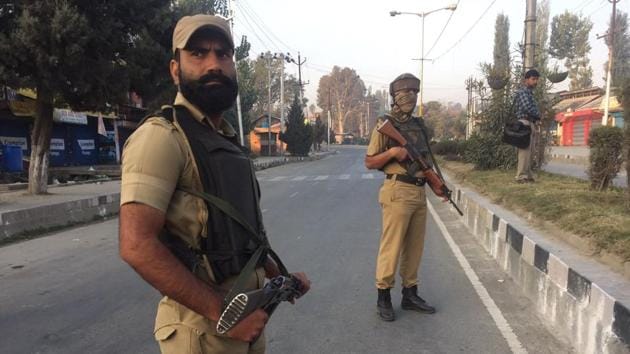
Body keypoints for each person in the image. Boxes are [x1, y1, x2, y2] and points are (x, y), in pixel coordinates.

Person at [118, 14, 310, 354]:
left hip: (245, 319)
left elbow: (240, 230)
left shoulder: (225, 141)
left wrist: (278, 275)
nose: (213, 64)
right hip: (202, 331)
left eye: (223, 54)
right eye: (198, 53)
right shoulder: (162, 138)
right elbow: (136, 245)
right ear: (175, 69)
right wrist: (224, 314)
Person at [364, 73, 436, 322]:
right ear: (395, 96)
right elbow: (370, 161)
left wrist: (437, 184)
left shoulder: (419, 125)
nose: (411, 97)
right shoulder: (385, 124)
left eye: (415, 92)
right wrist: (394, 152)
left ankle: (410, 294)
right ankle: (383, 295)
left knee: (415, 247)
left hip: (418, 190)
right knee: (392, 247)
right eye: (406, 93)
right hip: (397, 191)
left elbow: (426, 160)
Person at [513, 69, 541, 183]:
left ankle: (528, 175)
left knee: (531, 151)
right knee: (524, 151)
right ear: (526, 80)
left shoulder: (529, 93)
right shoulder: (523, 92)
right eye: (533, 79)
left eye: (536, 79)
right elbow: (527, 108)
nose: (535, 82)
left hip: (530, 123)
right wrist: (539, 114)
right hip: (524, 123)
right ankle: (520, 176)